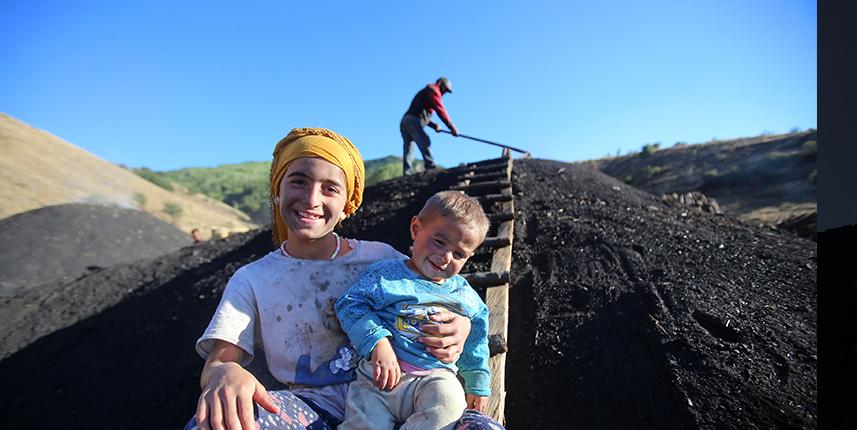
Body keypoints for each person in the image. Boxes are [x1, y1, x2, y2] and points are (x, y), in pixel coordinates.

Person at [185, 127, 503, 430]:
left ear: (347, 205)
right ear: (277, 191)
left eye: (330, 189)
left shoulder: (383, 259)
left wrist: (463, 326)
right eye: (298, 181)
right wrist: (226, 372)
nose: (312, 199)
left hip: (411, 398)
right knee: (213, 422)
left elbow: (436, 290)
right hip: (312, 409)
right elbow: (218, 363)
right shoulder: (251, 280)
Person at [334, 191, 493, 430]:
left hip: (434, 378)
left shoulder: (464, 295)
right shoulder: (386, 276)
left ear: (469, 257)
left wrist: (478, 384)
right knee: (364, 423)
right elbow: (350, 304)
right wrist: (378, 343)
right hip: (378, 378)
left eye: (459, 254)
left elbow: (476, 338)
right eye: (439, 242)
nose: (445, 257)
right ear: (416, 228)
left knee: (448, 406)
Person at [401, 77, 459, 175]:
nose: (444, 93)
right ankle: (430, 165)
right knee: (424, 140)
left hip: (406, 121)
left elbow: (423, 114)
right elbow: (440, 109)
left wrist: (434, 125)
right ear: (440, 83)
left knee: (409, 147)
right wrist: (451, 126)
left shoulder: (427, 92)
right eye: (445, 89)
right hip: (412, 121)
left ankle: (407, 172)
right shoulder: (433, 90)